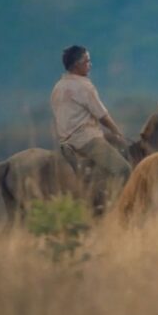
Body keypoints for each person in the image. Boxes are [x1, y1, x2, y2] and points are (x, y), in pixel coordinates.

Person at [50, 45, 131, 214]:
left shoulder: (58, 87)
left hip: (66, 142)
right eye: (87, 61)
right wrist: (117, 131)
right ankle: (113, 209)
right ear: (76, 65)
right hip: (87, 140)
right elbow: (102, 115)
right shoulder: (84, 86)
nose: (90, 65)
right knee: (123, 170)